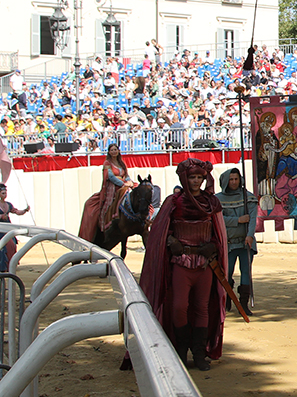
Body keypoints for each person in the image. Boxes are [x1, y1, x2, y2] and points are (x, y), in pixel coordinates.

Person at [139, 158, 228, 372]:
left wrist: (213, 247)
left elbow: (219, 233)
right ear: (184, 178)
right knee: (179, 307)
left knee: (202, 307)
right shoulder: (174, 201)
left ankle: (198, 353)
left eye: (200, 177)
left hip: (204, 264)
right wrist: (170, 241)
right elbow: (161, 232)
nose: (196, 181)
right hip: (181, 263)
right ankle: (180, 351)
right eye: (192, 177)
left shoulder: (211, 202)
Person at [218, 167, 258, 313]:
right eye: (231, 179)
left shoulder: (248, 197)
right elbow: (219, 219)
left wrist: (250, 235)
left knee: (246, 272)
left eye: (236, 179)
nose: (234, 182)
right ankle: (227, 299)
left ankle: (243, 303)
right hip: (228, 243)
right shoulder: (218, 199)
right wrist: (238, 220)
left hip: (245, 242)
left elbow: (253, 218)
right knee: (226, 273)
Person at [78, 143, 133, 241]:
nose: (114, 151)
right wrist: (123, 184)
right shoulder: (107, 163)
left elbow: (126, 175)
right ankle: (105, 222)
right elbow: (111, 177)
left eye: (115, 149)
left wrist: (129, 181)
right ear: (109, 152)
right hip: (113, 186)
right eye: (112, 150)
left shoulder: (121, 163)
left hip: (124, 183)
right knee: (108, 203)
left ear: (118, 151)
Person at [0, 183, 31, 272]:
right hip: (0, 229)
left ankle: (9, 265)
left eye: (5, 193)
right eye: (3, 193)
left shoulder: (8, 204)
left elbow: (16, 212)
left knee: (12, 245)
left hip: (8, 228)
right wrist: (1, 217)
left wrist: (24, 210)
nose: (5, 195)